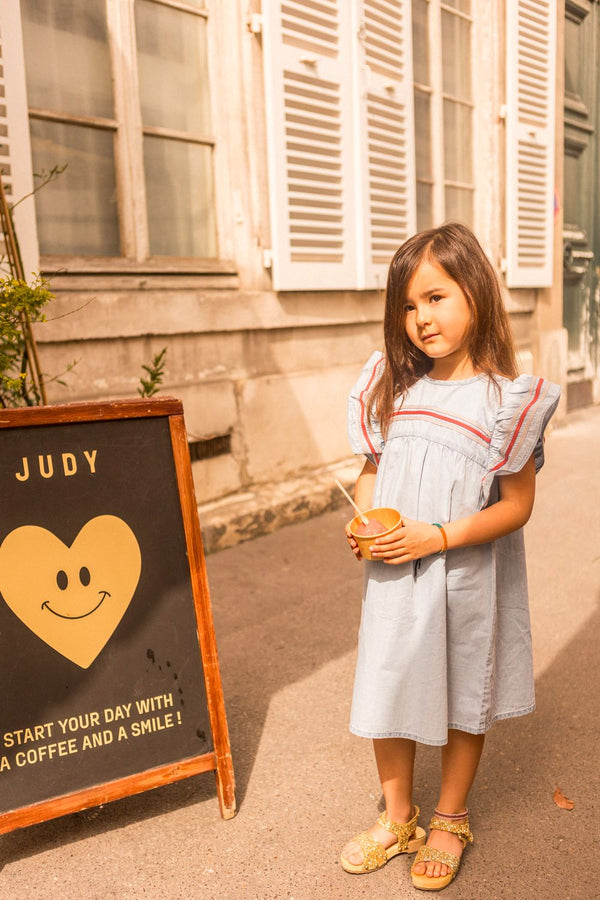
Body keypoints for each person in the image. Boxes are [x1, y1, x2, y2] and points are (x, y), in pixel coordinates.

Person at [339, 223, 560, 891]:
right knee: (388, 678)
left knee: (465, 685)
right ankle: (399, 816)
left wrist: (437, 536)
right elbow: (370, 470)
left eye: (435, 298)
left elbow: (516, 506)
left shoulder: (503, 401)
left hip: (462, 573)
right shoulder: (394, 388)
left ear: (476, 292)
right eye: (407, 306)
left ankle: (450, 817)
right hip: (395, 574)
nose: (420, 318)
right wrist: (364, 516)